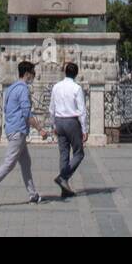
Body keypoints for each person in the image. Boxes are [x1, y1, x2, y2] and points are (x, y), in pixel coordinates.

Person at [0, 61, 44, 206]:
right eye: (33, 73)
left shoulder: (12, 88)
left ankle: (33, 195)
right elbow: (27, 113)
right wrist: (40, 129)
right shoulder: (23, 89)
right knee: (9, 163)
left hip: (12, 129)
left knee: (26, 163)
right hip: (18, 131)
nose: (34, 76)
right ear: (27, 74)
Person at [49, 62, 88, 197]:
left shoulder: (56, 87)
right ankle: (63, 177)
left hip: (59, 121)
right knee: (79, 153)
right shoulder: (76, 88)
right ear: (76, 74)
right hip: (72, 121)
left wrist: (54, 124)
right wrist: (84, 129)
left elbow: (51, 108)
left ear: (65, 72)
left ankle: (64, 189)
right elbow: (82, 110)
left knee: (64, 154)